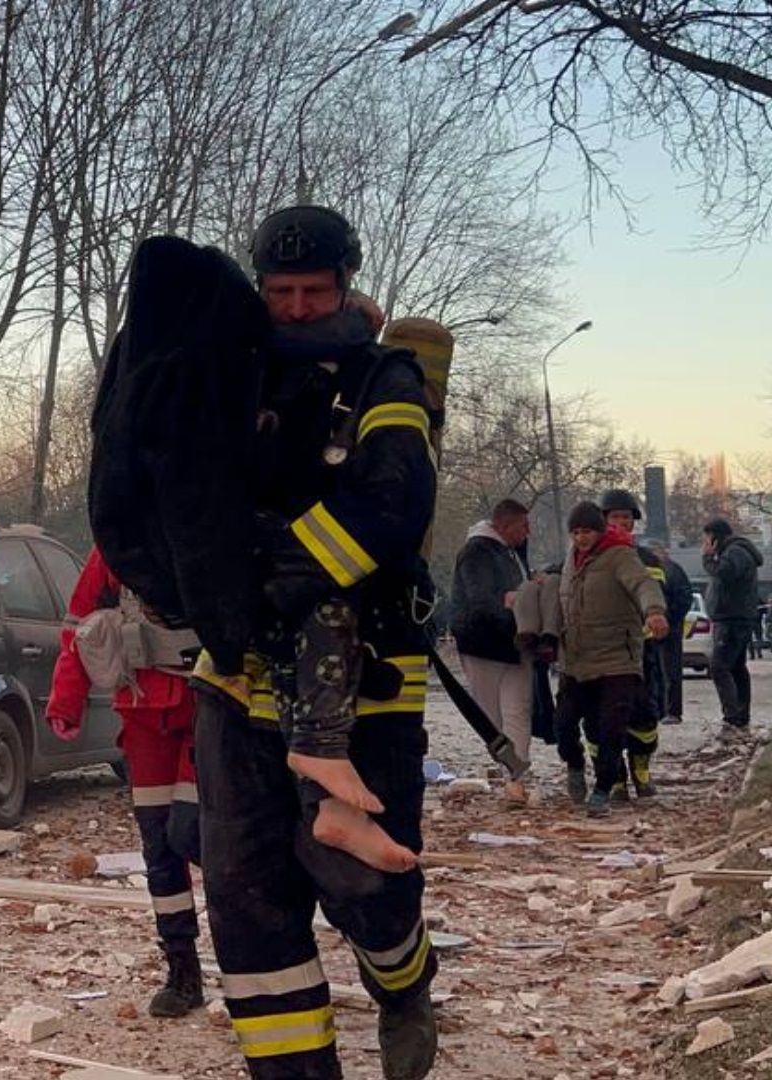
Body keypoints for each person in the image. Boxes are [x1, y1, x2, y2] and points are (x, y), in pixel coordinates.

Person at [193, 205, 440, 1080]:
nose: (296, 308)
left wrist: (287, 566)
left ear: (346, 285)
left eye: (315, 291)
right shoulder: (233, 382)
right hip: (236, 681)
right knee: (248, 900)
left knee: (361, 888)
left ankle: (405, 985)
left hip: (366, 675)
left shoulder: (386, 381)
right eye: (281, 292)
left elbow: (396, 498)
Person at [47, 547, 204, 1019]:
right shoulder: (119, 539)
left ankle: (250, 959)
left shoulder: (211, 514)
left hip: (213, 704)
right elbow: (79, 623)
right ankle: (183, 970)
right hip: (142, 708)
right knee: (161, 847)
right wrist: (65, 700)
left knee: (198, 833)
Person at [553, 503, 670, 816]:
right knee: (563, 723)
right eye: (575, 533)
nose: (581, 538)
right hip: (576, 660)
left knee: (610, 728)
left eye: (587, 532)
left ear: (599, 531)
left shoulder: (620, 555)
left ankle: (603, 789)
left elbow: (643, 584)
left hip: (617, 659)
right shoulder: (570, 561)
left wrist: (655, 612)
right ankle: (574, 764)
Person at [451, 499, 533, 805]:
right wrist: (512, 608)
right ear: (505, 525)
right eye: (524, 526)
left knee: (517, 709)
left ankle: (517, 772)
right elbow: (479, 599)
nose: (528, 533)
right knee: (492, 714)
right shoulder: (477, 551)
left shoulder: (509, 552)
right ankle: (510, 768)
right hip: (484, 643)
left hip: (511, 644)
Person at [599, 489, 665, 796]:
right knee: (602, 718)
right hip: (602, 652)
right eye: (615, 517)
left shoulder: (648, 560)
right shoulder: (589, 556)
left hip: (641, 651)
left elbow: (660, 597)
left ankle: (641, 768)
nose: (621, 523)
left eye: (626, 518)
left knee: (644, 715)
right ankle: (613, 776)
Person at [702, 518, 763, 738]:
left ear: (716, 537)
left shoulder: (735, 552)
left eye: (707, 538)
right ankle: (740, 715)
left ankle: (733, 717)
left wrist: (708, 557)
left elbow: (723, 574)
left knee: (719, 667)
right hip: (737, 618)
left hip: (731, 619)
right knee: (736, 667)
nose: (706, 543)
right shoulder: (738, 551)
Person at [652, 542, 694, 725]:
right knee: (657, 671)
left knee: (670, 671)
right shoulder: (656, 570)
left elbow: (684, 597)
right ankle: (661, 709)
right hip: (654, 627)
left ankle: (672, 710)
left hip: (670, 627)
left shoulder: (672, 571)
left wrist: (669, 618)